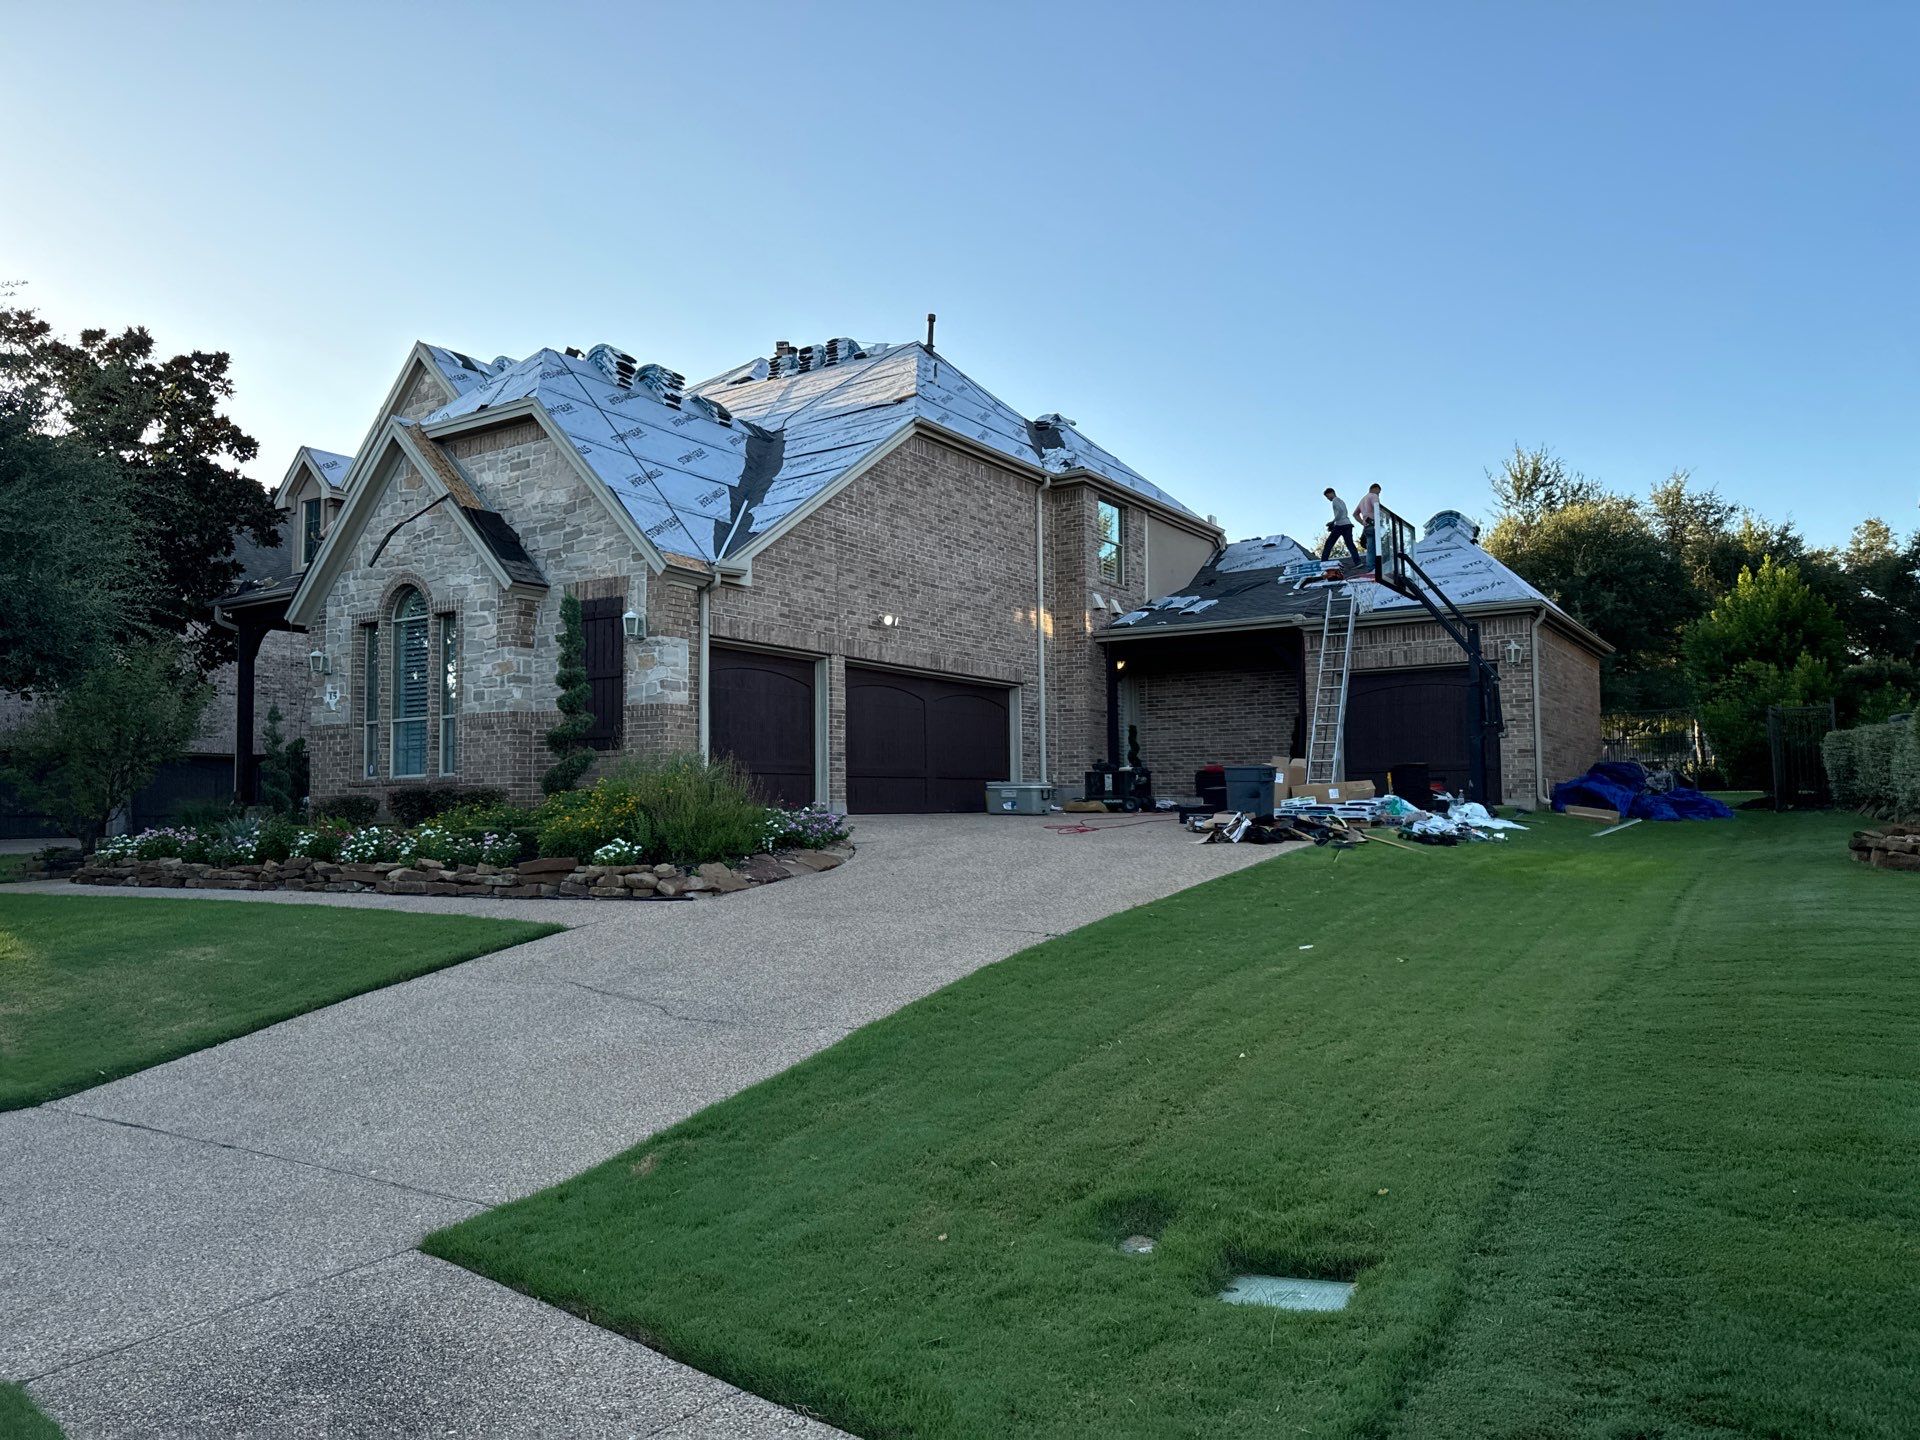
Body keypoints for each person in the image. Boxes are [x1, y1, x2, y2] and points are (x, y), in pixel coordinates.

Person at [1320, 487, 1361, 562]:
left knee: (1329, 543)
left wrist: (1333, 522)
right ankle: (1357, 562)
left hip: (1340, 525)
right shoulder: (1341, 501)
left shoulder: (1335, 500)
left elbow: (1340, 511)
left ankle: (1323, 562)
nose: (1328, 498)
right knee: (1350, 544)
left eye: (1327, 496)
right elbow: (1343, 512)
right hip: (1347, 524)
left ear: (1331, 493)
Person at [1354, 483, 1383, 569]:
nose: (1379, 494)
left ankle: (1370, 567)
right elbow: (1377, 507)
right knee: (1381, 547)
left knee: (1370, 548)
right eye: (1379, 492)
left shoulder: (1363, 499)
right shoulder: (1373, 496)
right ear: (1375, 488)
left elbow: (1355, 514)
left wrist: (1363, 522)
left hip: (1367, 526)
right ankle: (1379, 569)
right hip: (1374, 525)